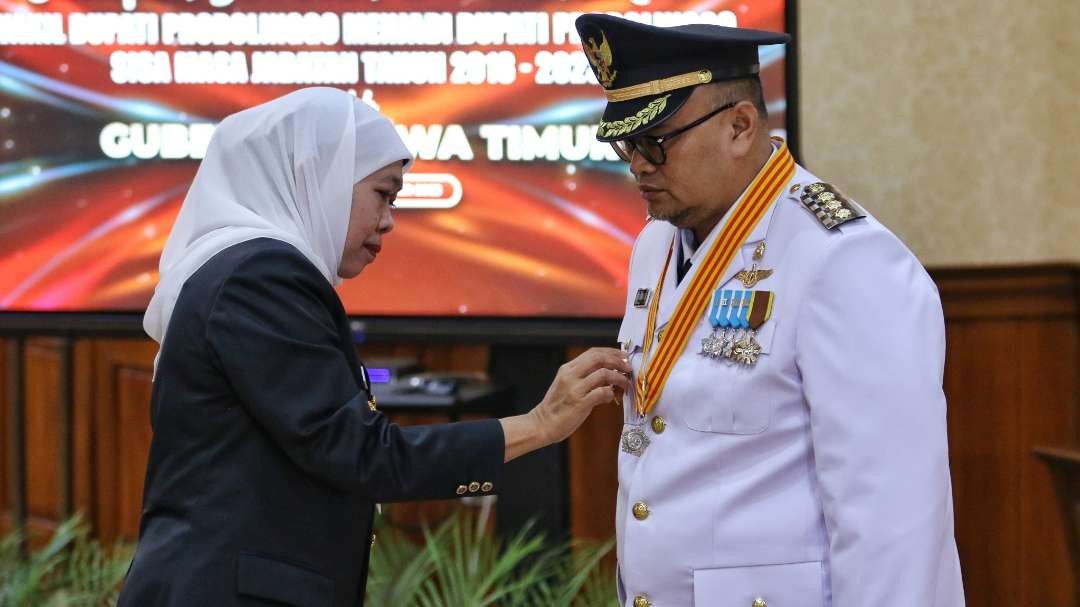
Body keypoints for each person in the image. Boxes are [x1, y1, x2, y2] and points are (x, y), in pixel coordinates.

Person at [117, 87, 631, 607]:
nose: (389, 220)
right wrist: (539, 424)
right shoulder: (261, 276)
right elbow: (363, 456)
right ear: (319, 180)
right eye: (384, 193)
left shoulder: (246, 271)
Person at [575, 14, 965, 607]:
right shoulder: (656, 243)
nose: (638, 165)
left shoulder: (844, 259)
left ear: (739, 125)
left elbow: (892, 523)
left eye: (656, 142)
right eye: (627, 144)